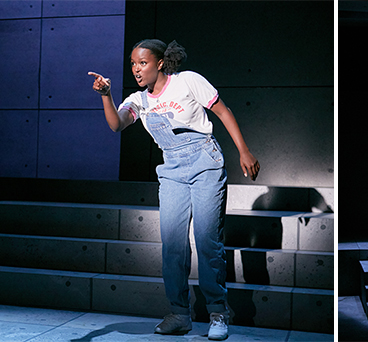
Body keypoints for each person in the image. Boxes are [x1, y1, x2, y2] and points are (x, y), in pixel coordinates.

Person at [88, 39, 259, 340]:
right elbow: (117, 124)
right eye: (133, 64)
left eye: (142, 63)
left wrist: (244, 150)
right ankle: (179, 313)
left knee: (207, 241)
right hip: (172, 170)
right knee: (173, 245)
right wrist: (106, 95)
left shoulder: (188, 81)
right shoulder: (139, 100)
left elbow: (223, 111)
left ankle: (218, 313)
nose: (136, 69)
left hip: (205, 160)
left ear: (160, 63)